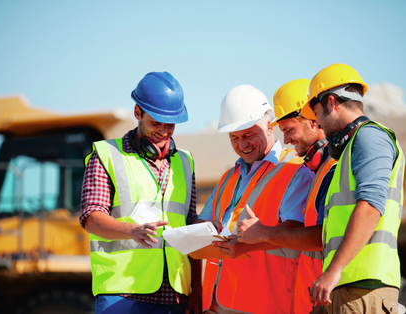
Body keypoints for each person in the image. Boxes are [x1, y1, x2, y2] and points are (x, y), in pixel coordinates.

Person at [79, 71, 202, 314]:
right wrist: (132, 231)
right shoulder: (107, 156)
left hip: (175, 295)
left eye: (171, 124)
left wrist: (197, 289)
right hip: (122, 293)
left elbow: (190, 227)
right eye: (157, 122)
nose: (165, 131)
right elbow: (91, 218)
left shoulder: (185, 162)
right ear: (138, 113)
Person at [197, 85, 315, 313]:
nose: (242, 145)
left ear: (270, 127)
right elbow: (205, 223)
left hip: (266, 302)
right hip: (219, 301)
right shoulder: (228, 177)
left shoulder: (294, 169)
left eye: (249, 135)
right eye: (234, 138)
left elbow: (295, 230)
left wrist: (245, 243)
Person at [305, 64, 405, 313]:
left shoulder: (370, 137)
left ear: (331, 102)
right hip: (351, 287)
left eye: (316, 112)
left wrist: (334, 270)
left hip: (364, 286)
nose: (316, 121)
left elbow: (371, 206)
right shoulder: (351, 149)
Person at [235, 78, 337, 314]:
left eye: (290, 130)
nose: (287, 140)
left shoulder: (333, 168)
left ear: (315, 121)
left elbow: (321, 237)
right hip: (314, 297)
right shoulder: (318, 171)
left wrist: (263, 232)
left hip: (331, 294)